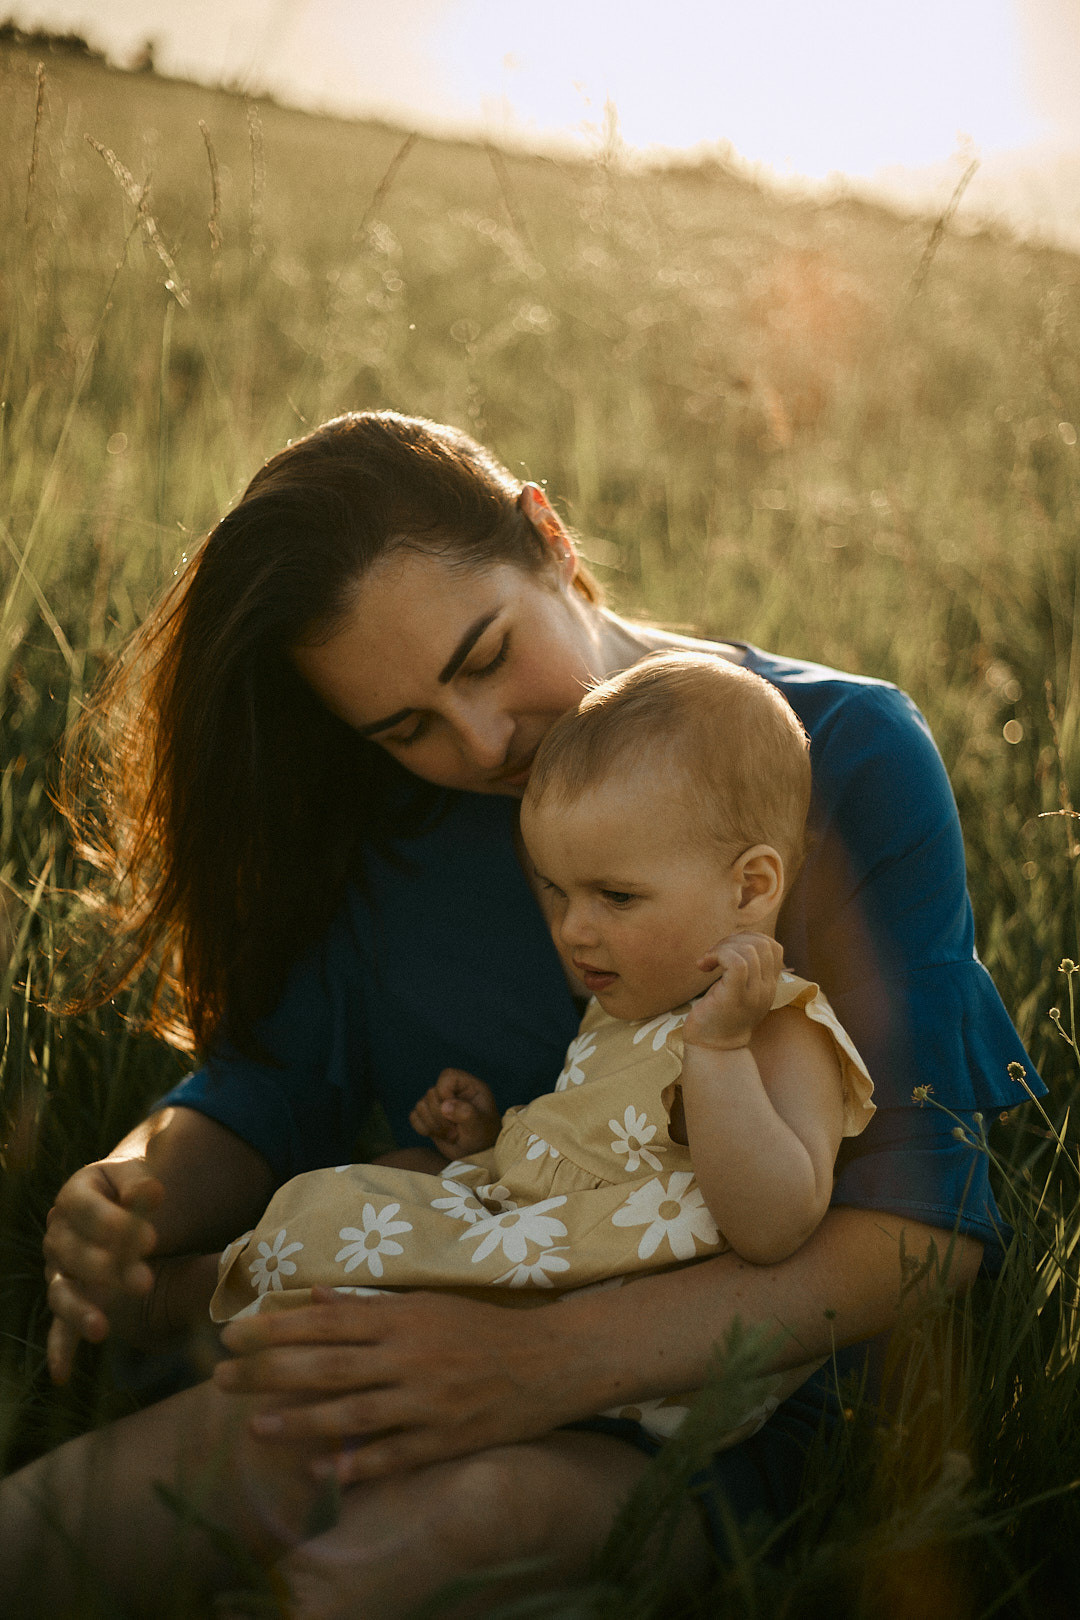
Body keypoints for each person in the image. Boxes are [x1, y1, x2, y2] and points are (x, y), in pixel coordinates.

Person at [20, 410, 1037, 1613]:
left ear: (548, 537)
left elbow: (924, 1235)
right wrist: (133, 1190)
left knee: (425, 1542)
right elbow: (265, 1091)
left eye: (485, 657)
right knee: (64, 1529)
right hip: (438, 1314)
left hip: (736, 1400)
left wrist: (531, 1368)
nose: (481, 743)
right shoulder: (378, 814)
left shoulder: (836, 754)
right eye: (407, 727)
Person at [211, 652, 877, 1460]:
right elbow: (596, 1156)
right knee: (369, 1188)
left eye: (615, 897)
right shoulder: (623, 1008)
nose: (573, 929)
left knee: (362, 1226)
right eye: (558, 892)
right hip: (556, 1261)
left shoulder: (779, 1023)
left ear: (749, 888)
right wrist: (496, 1140)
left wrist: (723, 1049)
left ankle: (192, 1314)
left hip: (638, 1338)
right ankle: (232, 1324)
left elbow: (775, 1225)